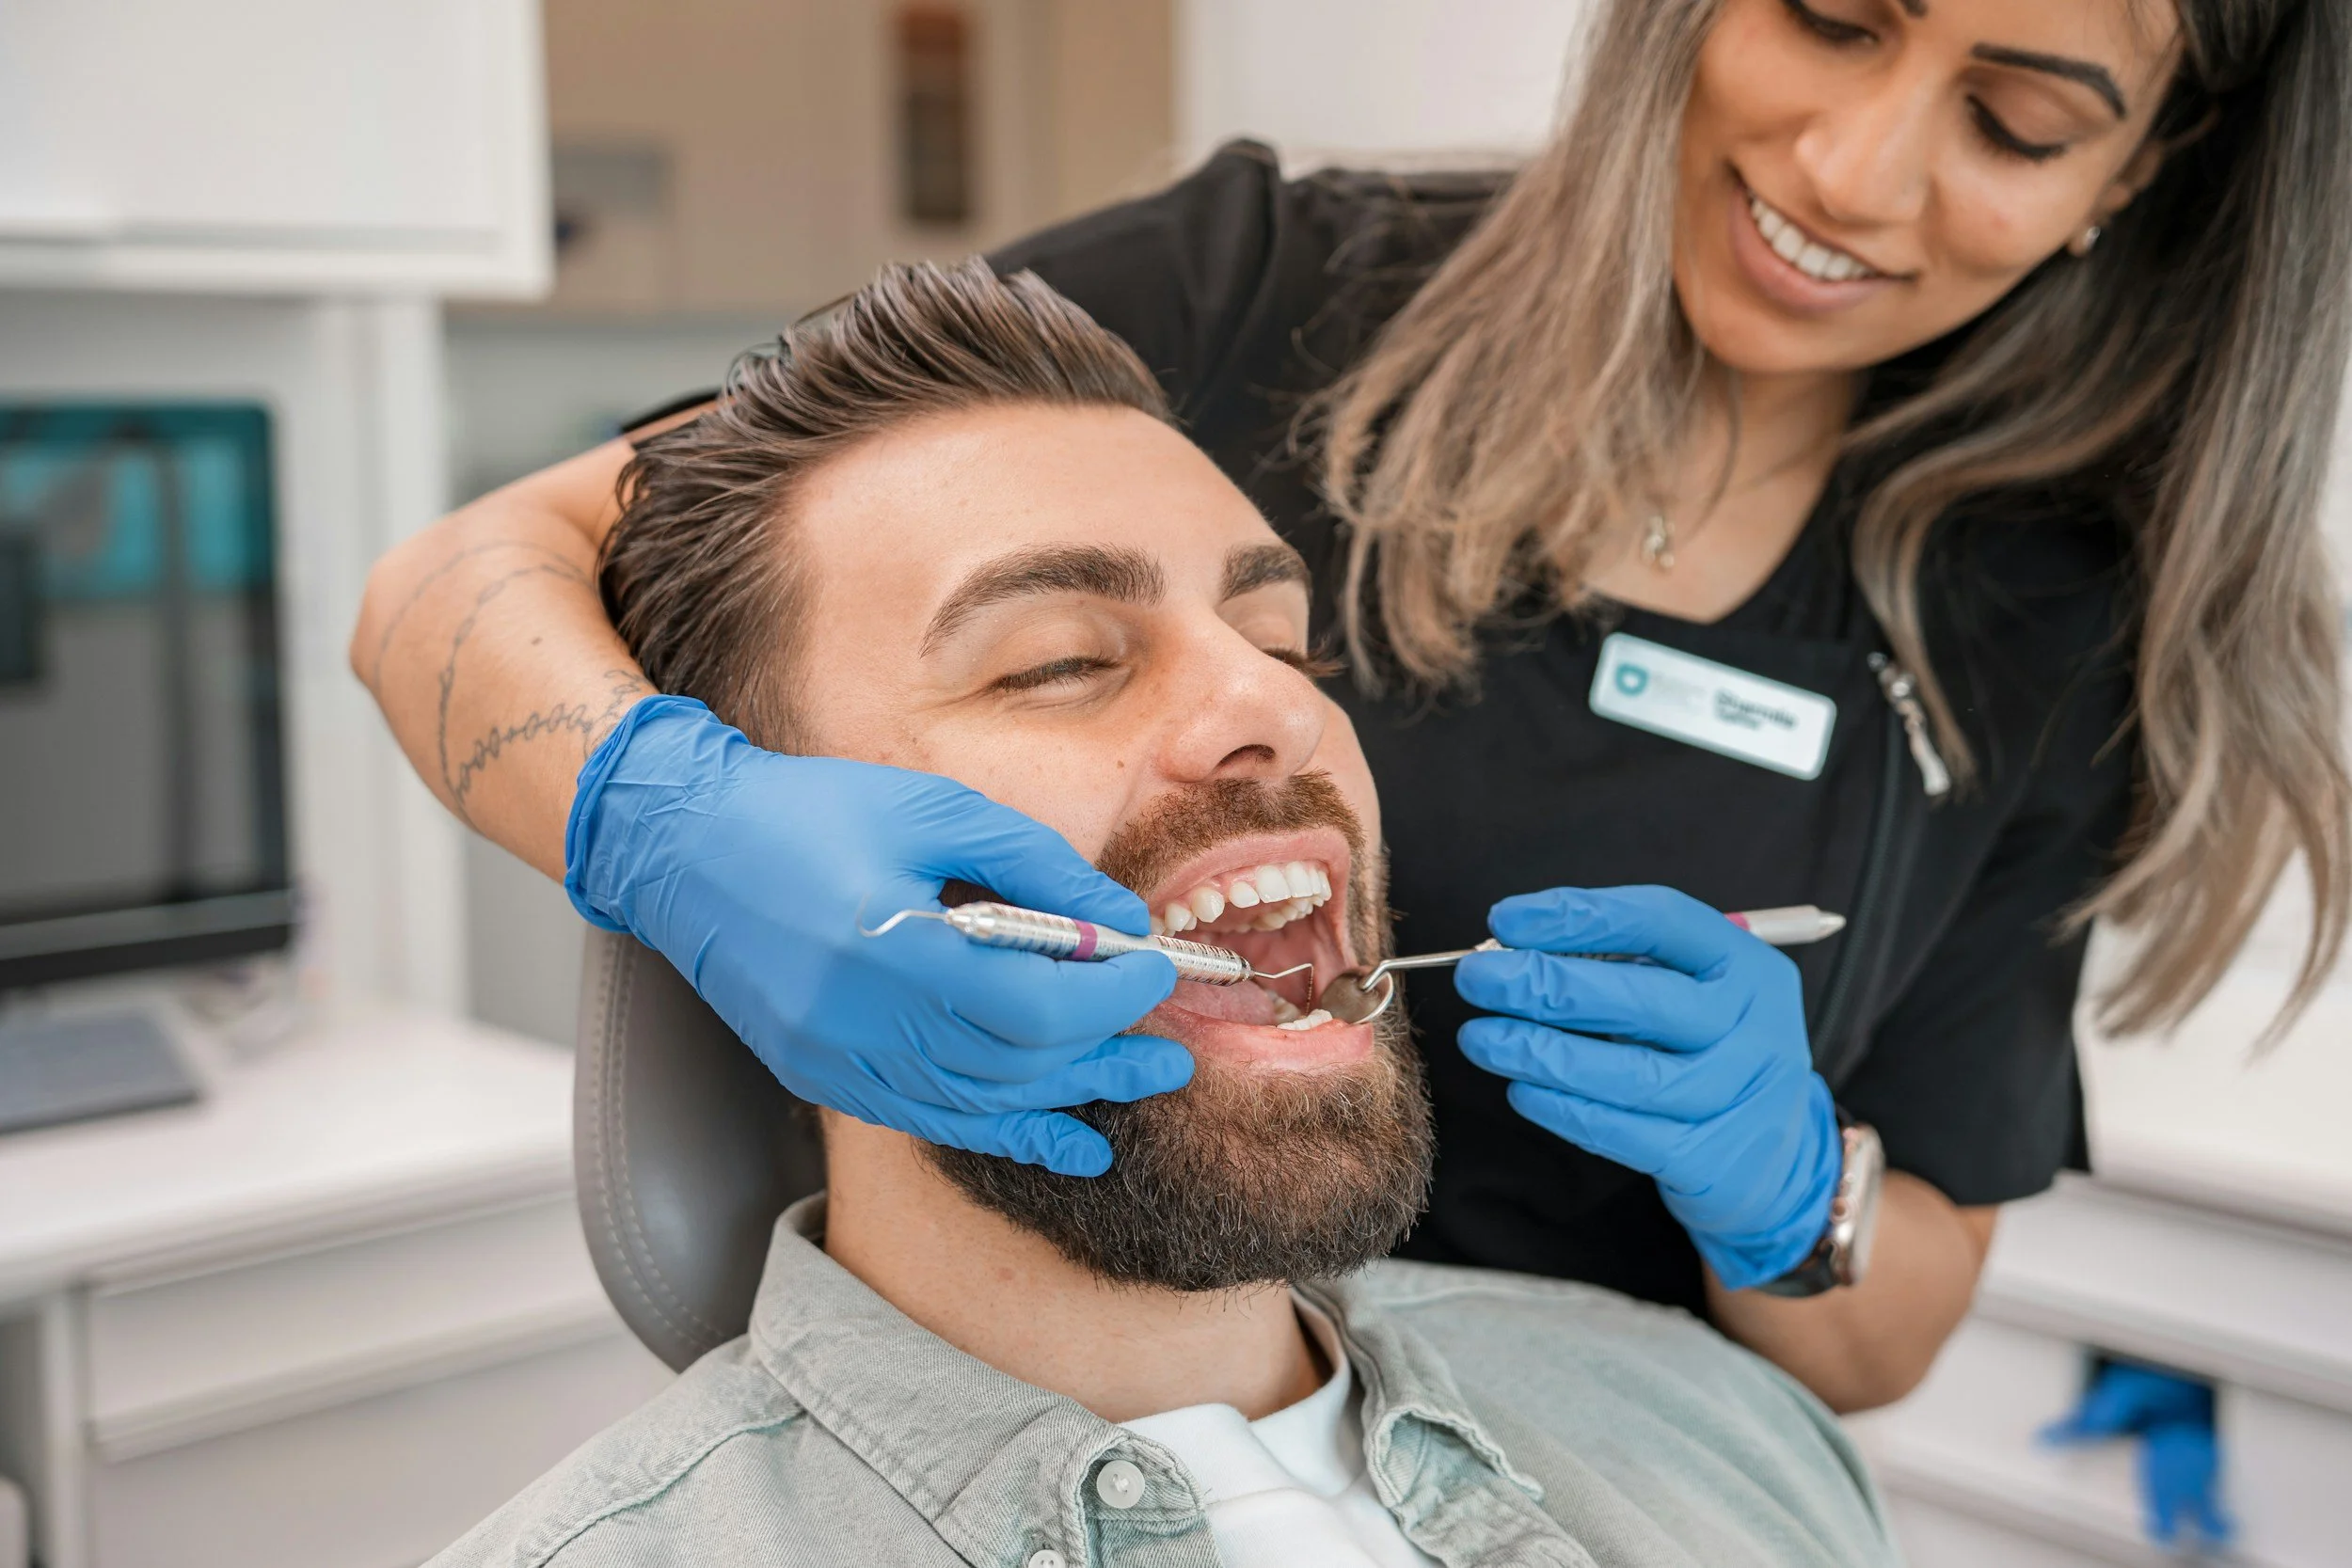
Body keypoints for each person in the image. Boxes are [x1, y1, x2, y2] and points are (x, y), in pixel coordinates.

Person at [355, 0, 2352, 1413]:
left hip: (1587, 1458)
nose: (1852, 164)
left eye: (2014, 122)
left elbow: (1889, 1327)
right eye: (1828, 17)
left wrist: (1792, 1178)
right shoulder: (1262, 291)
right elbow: (466, 578)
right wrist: (660, 818)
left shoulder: (2046, 621)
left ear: (2130, 172)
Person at [427, 260, 1898, 1568]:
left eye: (1280, 636)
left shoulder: (1728, 1431)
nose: (1278, 705)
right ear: (781, 889)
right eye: (1060, 659)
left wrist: (1802, 1205)